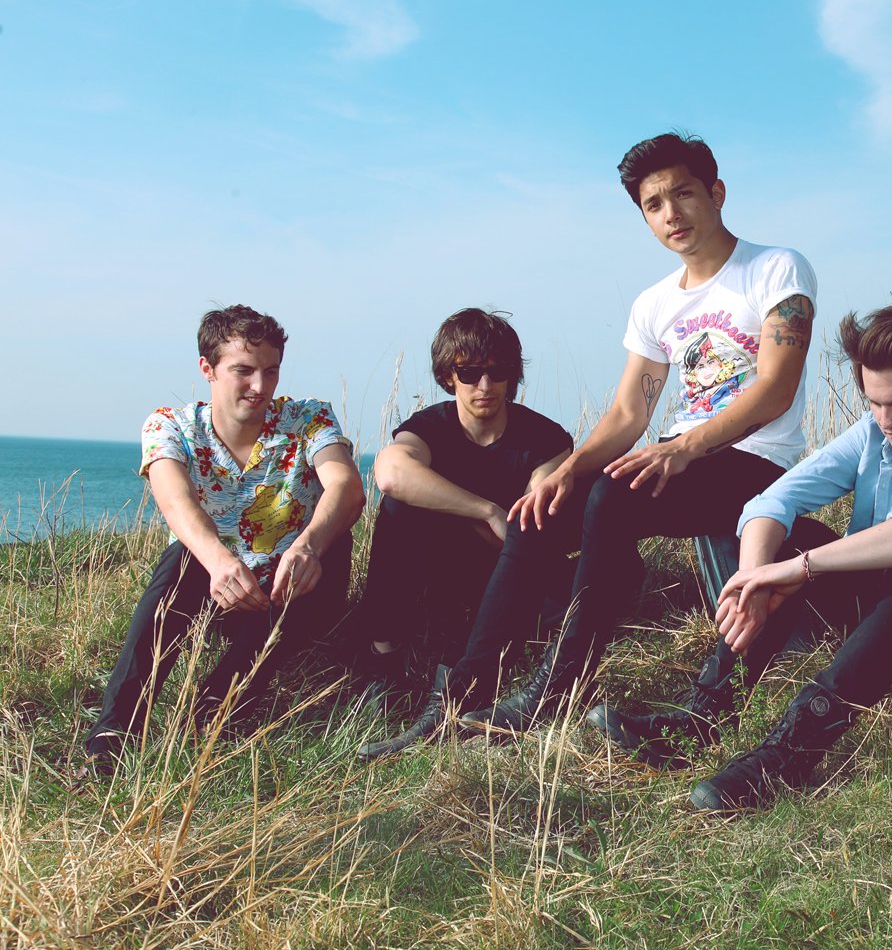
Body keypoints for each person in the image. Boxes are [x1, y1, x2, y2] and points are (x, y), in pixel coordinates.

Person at [363, 131, 817, 753]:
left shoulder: (775, 268)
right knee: (537, 510)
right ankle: (461, 695)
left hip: (753, 460)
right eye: (653, 204)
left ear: (716, 193)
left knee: (612, 495)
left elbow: (776, 389)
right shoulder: (654, 303)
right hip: (675, 463)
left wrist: (683, 447)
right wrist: (566, 472)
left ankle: (559, 687)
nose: (671, 213)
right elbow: (630, 412)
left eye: (683, 194)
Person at [589, 304, 892, 812]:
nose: (886, 419)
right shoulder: (875, 432)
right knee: (784, 544)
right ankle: (701, 718)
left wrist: (802, 567)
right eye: (874, 402)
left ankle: (789, 752)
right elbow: (774, 500)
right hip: (874, 610)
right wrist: (754, 579)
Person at [79, 305, 365, 778]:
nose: (260, 386)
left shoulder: (308, 418)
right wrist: (218, 561)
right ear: (207, 369)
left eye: (270, 371)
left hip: (296, 585)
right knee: (179, 562)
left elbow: (347, 487)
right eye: (243, 370)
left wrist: (308, 545)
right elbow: (173, 500)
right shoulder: (170, 426)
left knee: (333, 544)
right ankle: (112, 736)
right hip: (217, 583)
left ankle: (213, 712)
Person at [352, 309, 572, 759]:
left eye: (497, 372)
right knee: (397, 509)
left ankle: (453, 698)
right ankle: (384, 661)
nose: (484, 385)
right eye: (469, 373)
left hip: (512, 579)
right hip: (437, 570)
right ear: (448, 376)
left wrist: (479, 518)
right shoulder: (428, 428)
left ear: (512, 375)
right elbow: (391, 474)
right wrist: (485, 511)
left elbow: (527, 528)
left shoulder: (546, 439)